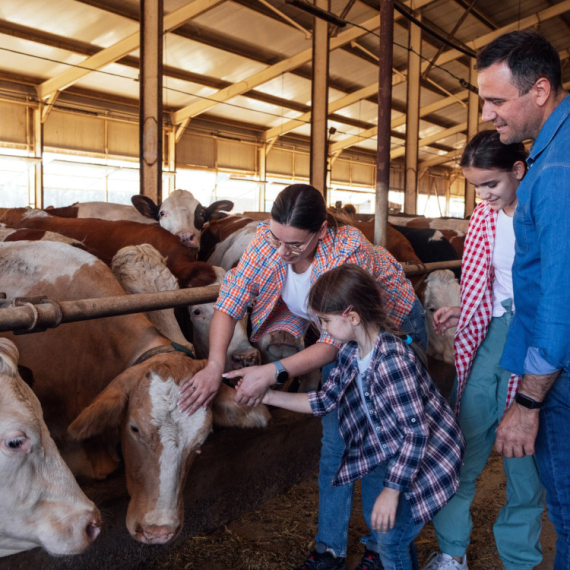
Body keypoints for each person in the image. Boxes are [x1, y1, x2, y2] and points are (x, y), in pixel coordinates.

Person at [178, 183, 428, 570]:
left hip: (387, 332)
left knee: (381, 440)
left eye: (294, 244)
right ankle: (329, 551)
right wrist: (213, 365)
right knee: (335, 443)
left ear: (321, 232)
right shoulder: (268, 240)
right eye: (276, 237)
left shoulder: (348, 251)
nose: (281, 251)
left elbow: (331, 344)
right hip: (337, 333)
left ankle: (381, 550)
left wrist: (272, 372)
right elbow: (229, 303)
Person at [259, 264, 465, 570]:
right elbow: (326, 400)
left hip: (425, 463)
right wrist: (267, 395)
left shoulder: (393, 362)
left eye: (326, 320)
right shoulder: (350, 352)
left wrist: (391, 491)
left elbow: (417, 434)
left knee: (391, 540)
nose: (323, 329)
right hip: (397, 453)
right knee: (389, 535)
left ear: (352, 317)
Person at [421, 130, 544, 570]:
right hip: (491, 336)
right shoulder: (485, 217)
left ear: (518, 169)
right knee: (462, 446)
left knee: (524, 463)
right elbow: (486, 283)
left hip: (536, 341)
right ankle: (453, 552)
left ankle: (520, 560)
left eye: (491, 184)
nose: (484, 195)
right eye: (476, 186)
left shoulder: (545, 210)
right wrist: (465, 310)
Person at [476, 30, 570, 570]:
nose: (487, 113)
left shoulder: (555, 172)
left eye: (495, 100)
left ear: (539, 90)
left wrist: (528, 402)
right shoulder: (554, 152)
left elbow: (559, 303)